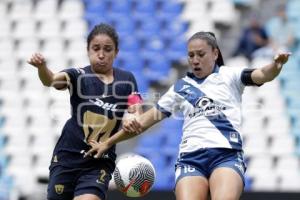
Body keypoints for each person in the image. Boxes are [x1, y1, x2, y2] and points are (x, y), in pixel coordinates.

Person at [85, 31, 290, 200]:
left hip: (226, 156)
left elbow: (262, 74)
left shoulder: (231, 75)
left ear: (215, 53)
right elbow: (143, 123)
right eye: (191, 55)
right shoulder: (180, 88)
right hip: (191, 160)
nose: (195, 60)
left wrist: (276, 65)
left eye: (201, 54)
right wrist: (108, 143)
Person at [27, 23, 143, 200]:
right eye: (96, 49)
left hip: (99, 162)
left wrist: (131, 118)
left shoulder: (127, 80)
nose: (101, 54)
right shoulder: (78, 75)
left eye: (108, 49)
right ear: (88, 50)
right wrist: (42, 67)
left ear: (116, 52)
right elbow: (50, 80)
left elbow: (136, 110)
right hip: (67, 157)